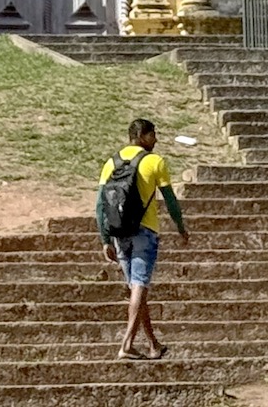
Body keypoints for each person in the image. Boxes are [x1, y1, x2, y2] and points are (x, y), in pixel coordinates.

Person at [96, 116, 187, 360]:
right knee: (139, 286)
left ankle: (153, 344)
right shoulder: (154, 161)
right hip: (145, 232)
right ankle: (126, 344)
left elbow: (100, 204)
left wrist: (105, 238)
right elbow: (169, 199)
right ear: (143, 136)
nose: (155, 139)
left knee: (137, 289)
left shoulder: (111, 163)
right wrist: (180, 226)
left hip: (119, 233)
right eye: (153, 134)